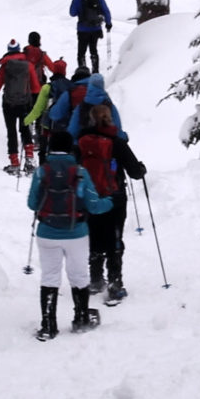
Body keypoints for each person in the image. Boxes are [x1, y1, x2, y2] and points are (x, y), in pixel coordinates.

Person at [27, 130, 114, 340]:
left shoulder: (42, 172)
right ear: (70, 148)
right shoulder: (80, 172)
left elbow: (32, 203)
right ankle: (82, 318)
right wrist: (111, 201)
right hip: (76, 233)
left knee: (50, 276)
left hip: (47, 233)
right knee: (78, 275)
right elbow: (94, 206)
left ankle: (48, 325)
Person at [74, 103, 147, 302]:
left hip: (90, 196)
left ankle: (96, 279)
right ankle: (115, 284)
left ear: (91, 119)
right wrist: (141, 169)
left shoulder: (82, 141)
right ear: (110, 118)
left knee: (94, 235)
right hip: (114, 197)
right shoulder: (117, 142)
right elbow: (134, 172)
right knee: (114, 238)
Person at [0, 39, 43, 174]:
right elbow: (35, 88)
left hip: (8, 104)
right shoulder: (28, 65)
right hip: (24, 103)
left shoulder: (5, 67)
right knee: (25, 130)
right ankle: (29, 161)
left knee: (11, 132)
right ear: (19, 49)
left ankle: (14, 163)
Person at [47, 67, 122, 142]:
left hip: (83, 144)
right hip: (107, 145)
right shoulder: (106, 100)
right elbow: (117, 126)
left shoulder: (71, 94)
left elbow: (55, 115)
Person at [22, 56, 71, 163]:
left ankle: (44, 174)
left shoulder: (47, 88)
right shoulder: (71, 87)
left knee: (44, 154)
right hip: (67, 129)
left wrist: (25, 121)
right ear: (64, 72)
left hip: (48, 129)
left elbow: (37, 110)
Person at [69, 0, 112, 73]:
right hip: (95, 28)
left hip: (82, 29)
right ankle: (95, 71)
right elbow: (106, 10)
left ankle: (83, 72)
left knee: (81, 52)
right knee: (94, 50)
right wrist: (108, 23)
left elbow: (72, 13)